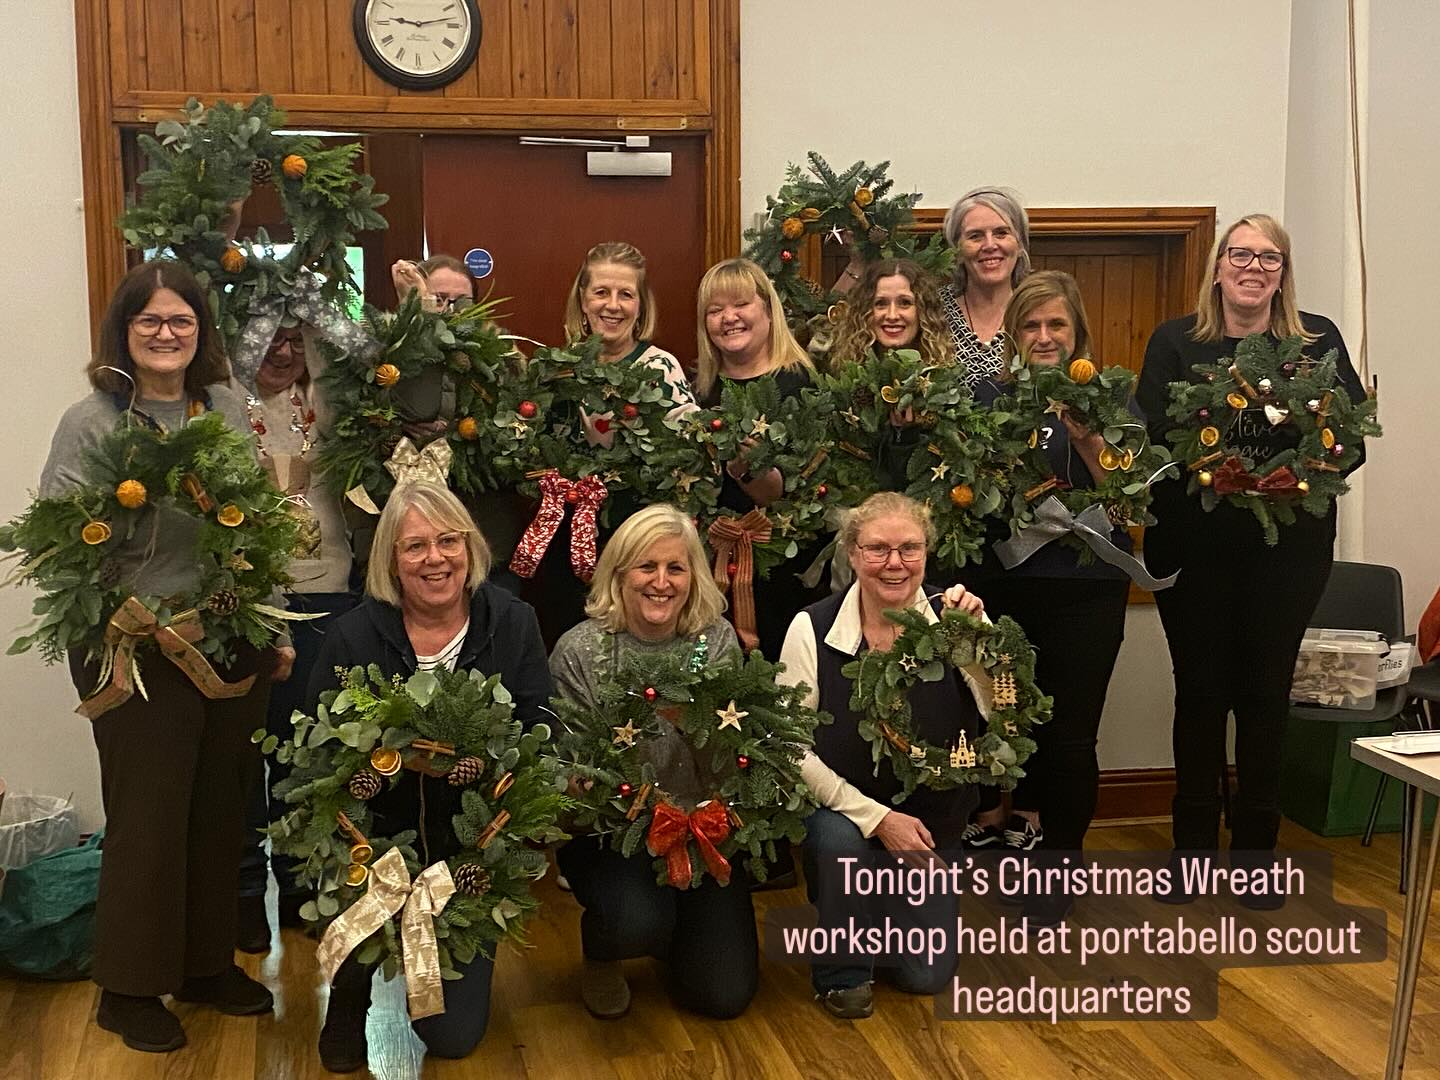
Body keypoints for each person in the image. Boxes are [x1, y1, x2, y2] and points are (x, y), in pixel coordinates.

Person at [39, 259, 288, 1054]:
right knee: (149, 817)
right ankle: (130, 986)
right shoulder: (92, 421)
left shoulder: (226, 406)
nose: (167, 333)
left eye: (181, 320)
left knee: (221, 808)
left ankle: (206, 964)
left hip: (226, 634)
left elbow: (259, 526)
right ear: (124, 330)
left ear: (201, 332)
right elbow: (56, 536)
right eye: (150, 321)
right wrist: (121, 613)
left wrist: (274, 626)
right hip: (134, 642)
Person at [1136, 214, 1367, 894]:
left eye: (1269, 257)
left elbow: (1350, 437)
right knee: (1201, 694)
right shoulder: (1177, 342)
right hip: (1194, 548)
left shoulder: (1315, 340)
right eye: (1241, 254)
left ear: (1283, 272)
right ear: (1217, 266)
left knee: (1266, 694)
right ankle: (1193, 848)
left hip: (1286, 549)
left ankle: (1257, 851)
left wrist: (1306, 470)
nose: (1254, 267)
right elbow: (1153, 433)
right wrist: (1211, 467)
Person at [307, 481, 553, 1071]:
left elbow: (538, 728)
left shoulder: (513, 622)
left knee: (452, 1038)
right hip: (375, 835)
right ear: (391, 558)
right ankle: (350, 995)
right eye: (415, 546)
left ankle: (444, 958)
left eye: (449, 541)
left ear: (471, 549)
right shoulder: (353, 635)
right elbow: (317, 758)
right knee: (358, 879)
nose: (436, 558)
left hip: (474, 846)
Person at [778, 492, 987, 1019]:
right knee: (836, 839)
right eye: (877, 549)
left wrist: (978, 644)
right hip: (845, 815)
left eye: (909, 549)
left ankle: (875, 915)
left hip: (933, 824)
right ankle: (841, 971)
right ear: (852, 554)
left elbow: (1000, 709)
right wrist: (879, 819)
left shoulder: (955, 619)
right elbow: (789, 745)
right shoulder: (811, 626)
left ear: (926, 553)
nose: (894, 564)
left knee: (924, 979)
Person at [550, 504, 756, 1021]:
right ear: (619, 574)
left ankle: (677, 930)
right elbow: (565, 768)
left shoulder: (716, 642)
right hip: (612, 833)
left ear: (694, 578)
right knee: (631, 920)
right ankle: (605, 949)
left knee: (722, 997)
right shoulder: (580, 651)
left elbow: (734, 762)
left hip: (701, 828)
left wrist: (695, 722)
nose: (661, 582)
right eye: (646, 567)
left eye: (676, 568)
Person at [960, 272, 1133, 886]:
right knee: (1001, 720)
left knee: (1070, 736)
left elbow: (1132, 501)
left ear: (1077, 331)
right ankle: (1009, 839)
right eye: (1029, 325)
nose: (1042, 336)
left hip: (1085, 590)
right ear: (1012, 333)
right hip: (1003, 587)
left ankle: (1061, 868)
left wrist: (1087, 438)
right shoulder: (985, 397)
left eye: (1055, 324)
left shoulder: (1111, 398)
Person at [234, 319, 359, 952]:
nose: (283, 353)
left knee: (308, 751)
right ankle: (247, 894)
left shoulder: (323, 402)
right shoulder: (226, 405)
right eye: (269, 339)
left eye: (294, 341)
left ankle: (302, 883)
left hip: (331, 595)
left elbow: (350, 346)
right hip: (256, 600)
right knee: (247, 751)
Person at [695, 256, 821, 659]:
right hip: (713, 564)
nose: (728, 318)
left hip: (785, 569)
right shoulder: (699, 393)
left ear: (767, 310)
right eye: (715, 311)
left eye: (740, 305)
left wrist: (752, 471)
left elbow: (803, 489)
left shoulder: (800, 384)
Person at [830, 258, 956, 490]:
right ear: (865, 312)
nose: (892, 315)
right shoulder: (843, 381)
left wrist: (905, 437)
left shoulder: (943, 385)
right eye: (880, 304)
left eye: (905, 303)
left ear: (922, 312)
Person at [938, 187, 1032, 386]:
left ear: (1020, 243)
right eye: (975, 236)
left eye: (1001, 233)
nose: (989, 245)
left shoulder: (1037, 308)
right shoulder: (932, 309)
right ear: (957, 249)